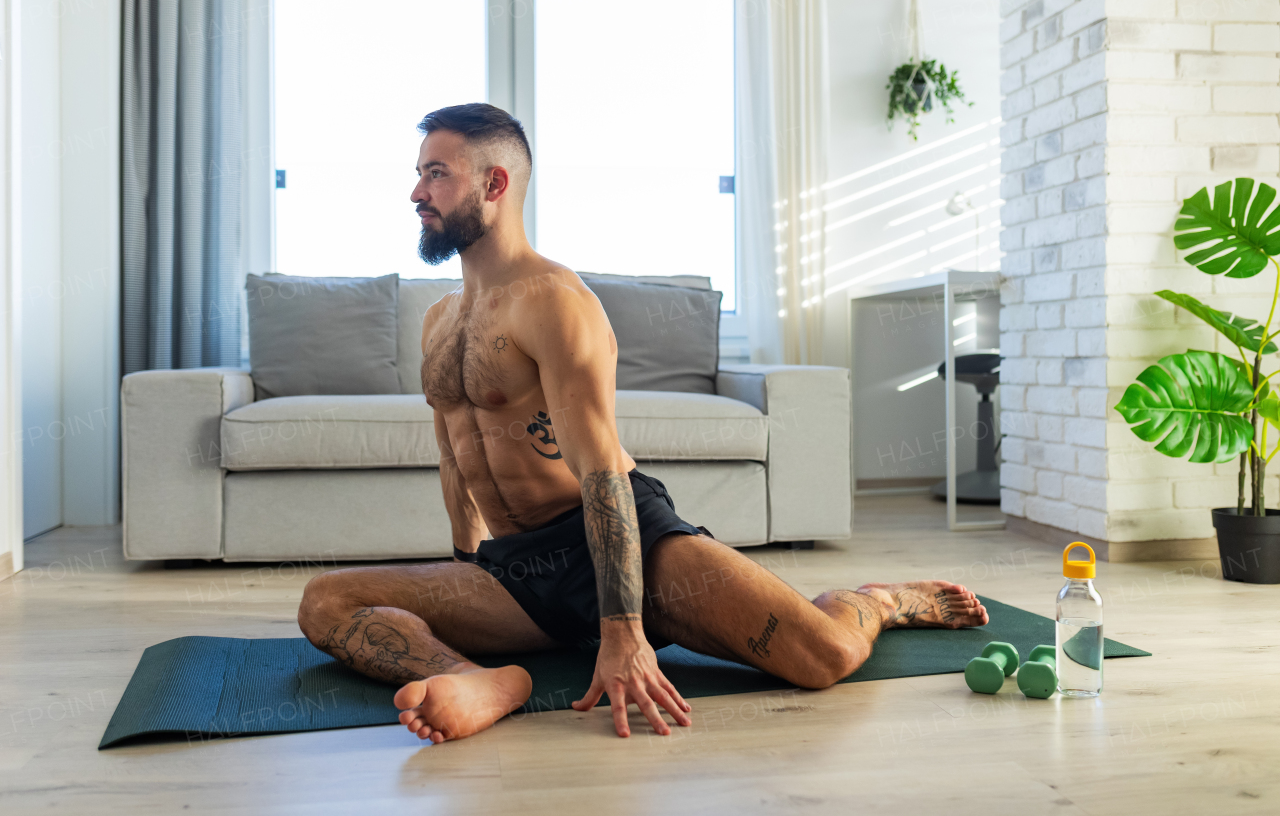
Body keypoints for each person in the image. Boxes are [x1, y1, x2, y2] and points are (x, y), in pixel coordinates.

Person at [296, 103, 989, 744]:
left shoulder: (554, 302)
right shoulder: (439, 322)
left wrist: (623, 630)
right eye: (419, 175)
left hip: (633, 548)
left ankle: (879, 599)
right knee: (326, 601)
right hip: (518, 571)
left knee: (824, 655)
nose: (417, 193)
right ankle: (482, 678)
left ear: (495, 182)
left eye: (436, 174)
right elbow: (454, 455)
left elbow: (600, 471)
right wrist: (464, 570)